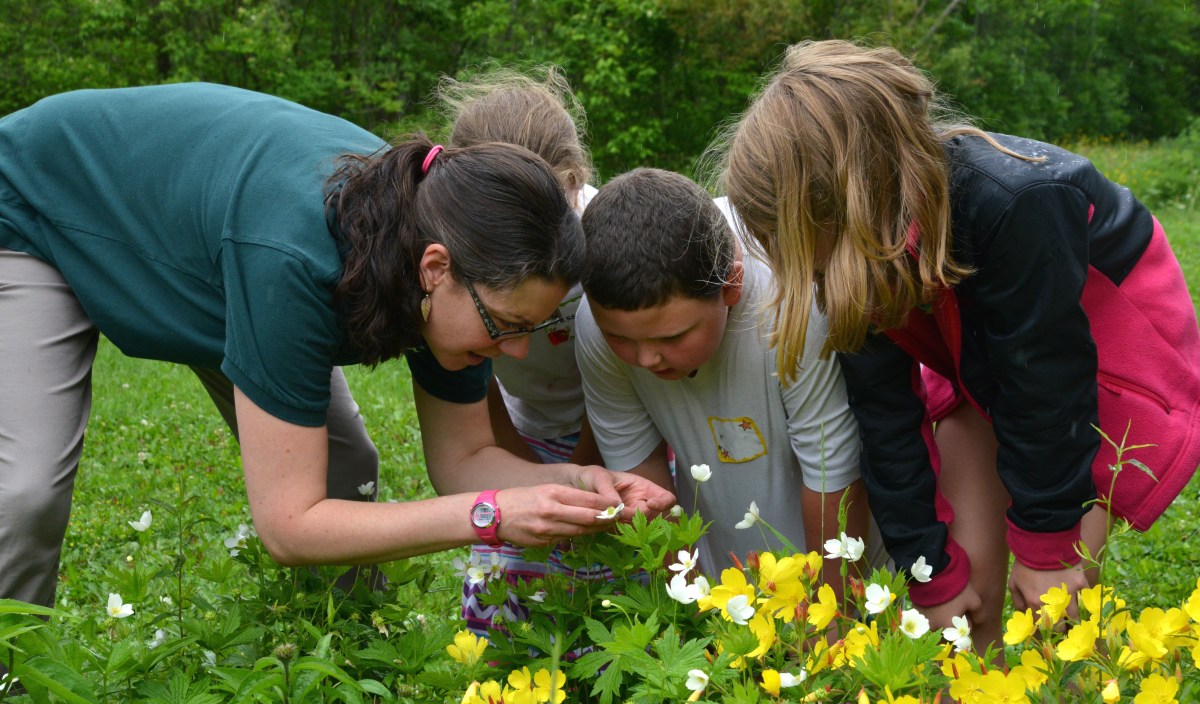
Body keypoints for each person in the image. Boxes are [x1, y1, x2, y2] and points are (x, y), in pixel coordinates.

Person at [0, 82, 674, 609]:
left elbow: (463, 458)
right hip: (37, 207)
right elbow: (289, 526)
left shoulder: (445, 234)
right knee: (23, 493)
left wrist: (577, 483)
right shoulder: (296, 258)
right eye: (504, 326)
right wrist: (489, 516)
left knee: (343, 472)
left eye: (532, 328)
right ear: (435, 270)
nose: (517, 353)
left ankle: (343, 671)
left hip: (205, 247)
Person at [721, 39, 1200, 651]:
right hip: (974, 344)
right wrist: (932, 572)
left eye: (795, 244)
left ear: (849, 204)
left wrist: (1047, 543)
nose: (796, 268)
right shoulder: (846, 258)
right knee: (968, 592)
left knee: (1054, 604)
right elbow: (885, 415)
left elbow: (1046, 384)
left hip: (1103, 352)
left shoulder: (1020, 202)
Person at [576, 168, 888, 594]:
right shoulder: (593, 325)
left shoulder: (791, 300)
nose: (646, 358)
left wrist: (831, 619)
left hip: (855, 576)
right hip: (728, 582)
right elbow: (642, 487)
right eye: (621, 338)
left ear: (732, 286)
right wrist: (697, 611)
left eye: (672, 336)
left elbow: (833, 476)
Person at [434, 67, 609, 636]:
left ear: (572, 187)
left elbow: (619, 386)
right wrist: (528, 477)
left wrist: (569, 475)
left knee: (598, 577)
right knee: (505, 577)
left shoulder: (602, 243)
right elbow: (471, 373)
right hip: (518, 428)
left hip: (610, 426)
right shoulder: (458, 252)